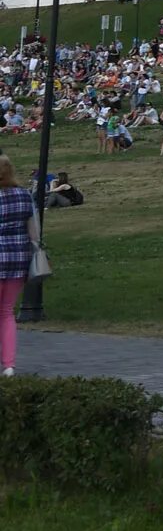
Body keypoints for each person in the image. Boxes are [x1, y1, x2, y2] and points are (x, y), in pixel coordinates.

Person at [0, 155, 40, 377]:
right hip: (18, 260)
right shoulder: (24, 196)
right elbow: (34, 232)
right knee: (6, 312)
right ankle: (8, 364)